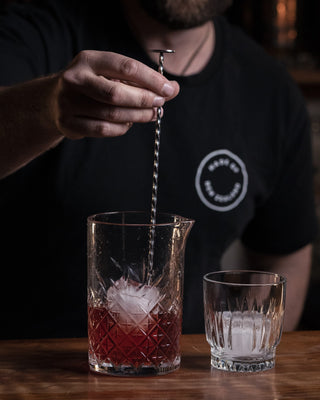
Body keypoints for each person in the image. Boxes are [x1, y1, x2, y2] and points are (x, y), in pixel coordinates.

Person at [0, 0, 317, 339]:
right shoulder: (33, 33)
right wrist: (49, 107)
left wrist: (240, 356)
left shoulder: (271, 90)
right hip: (27, 372)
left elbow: (284, 259)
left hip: (188, 377)